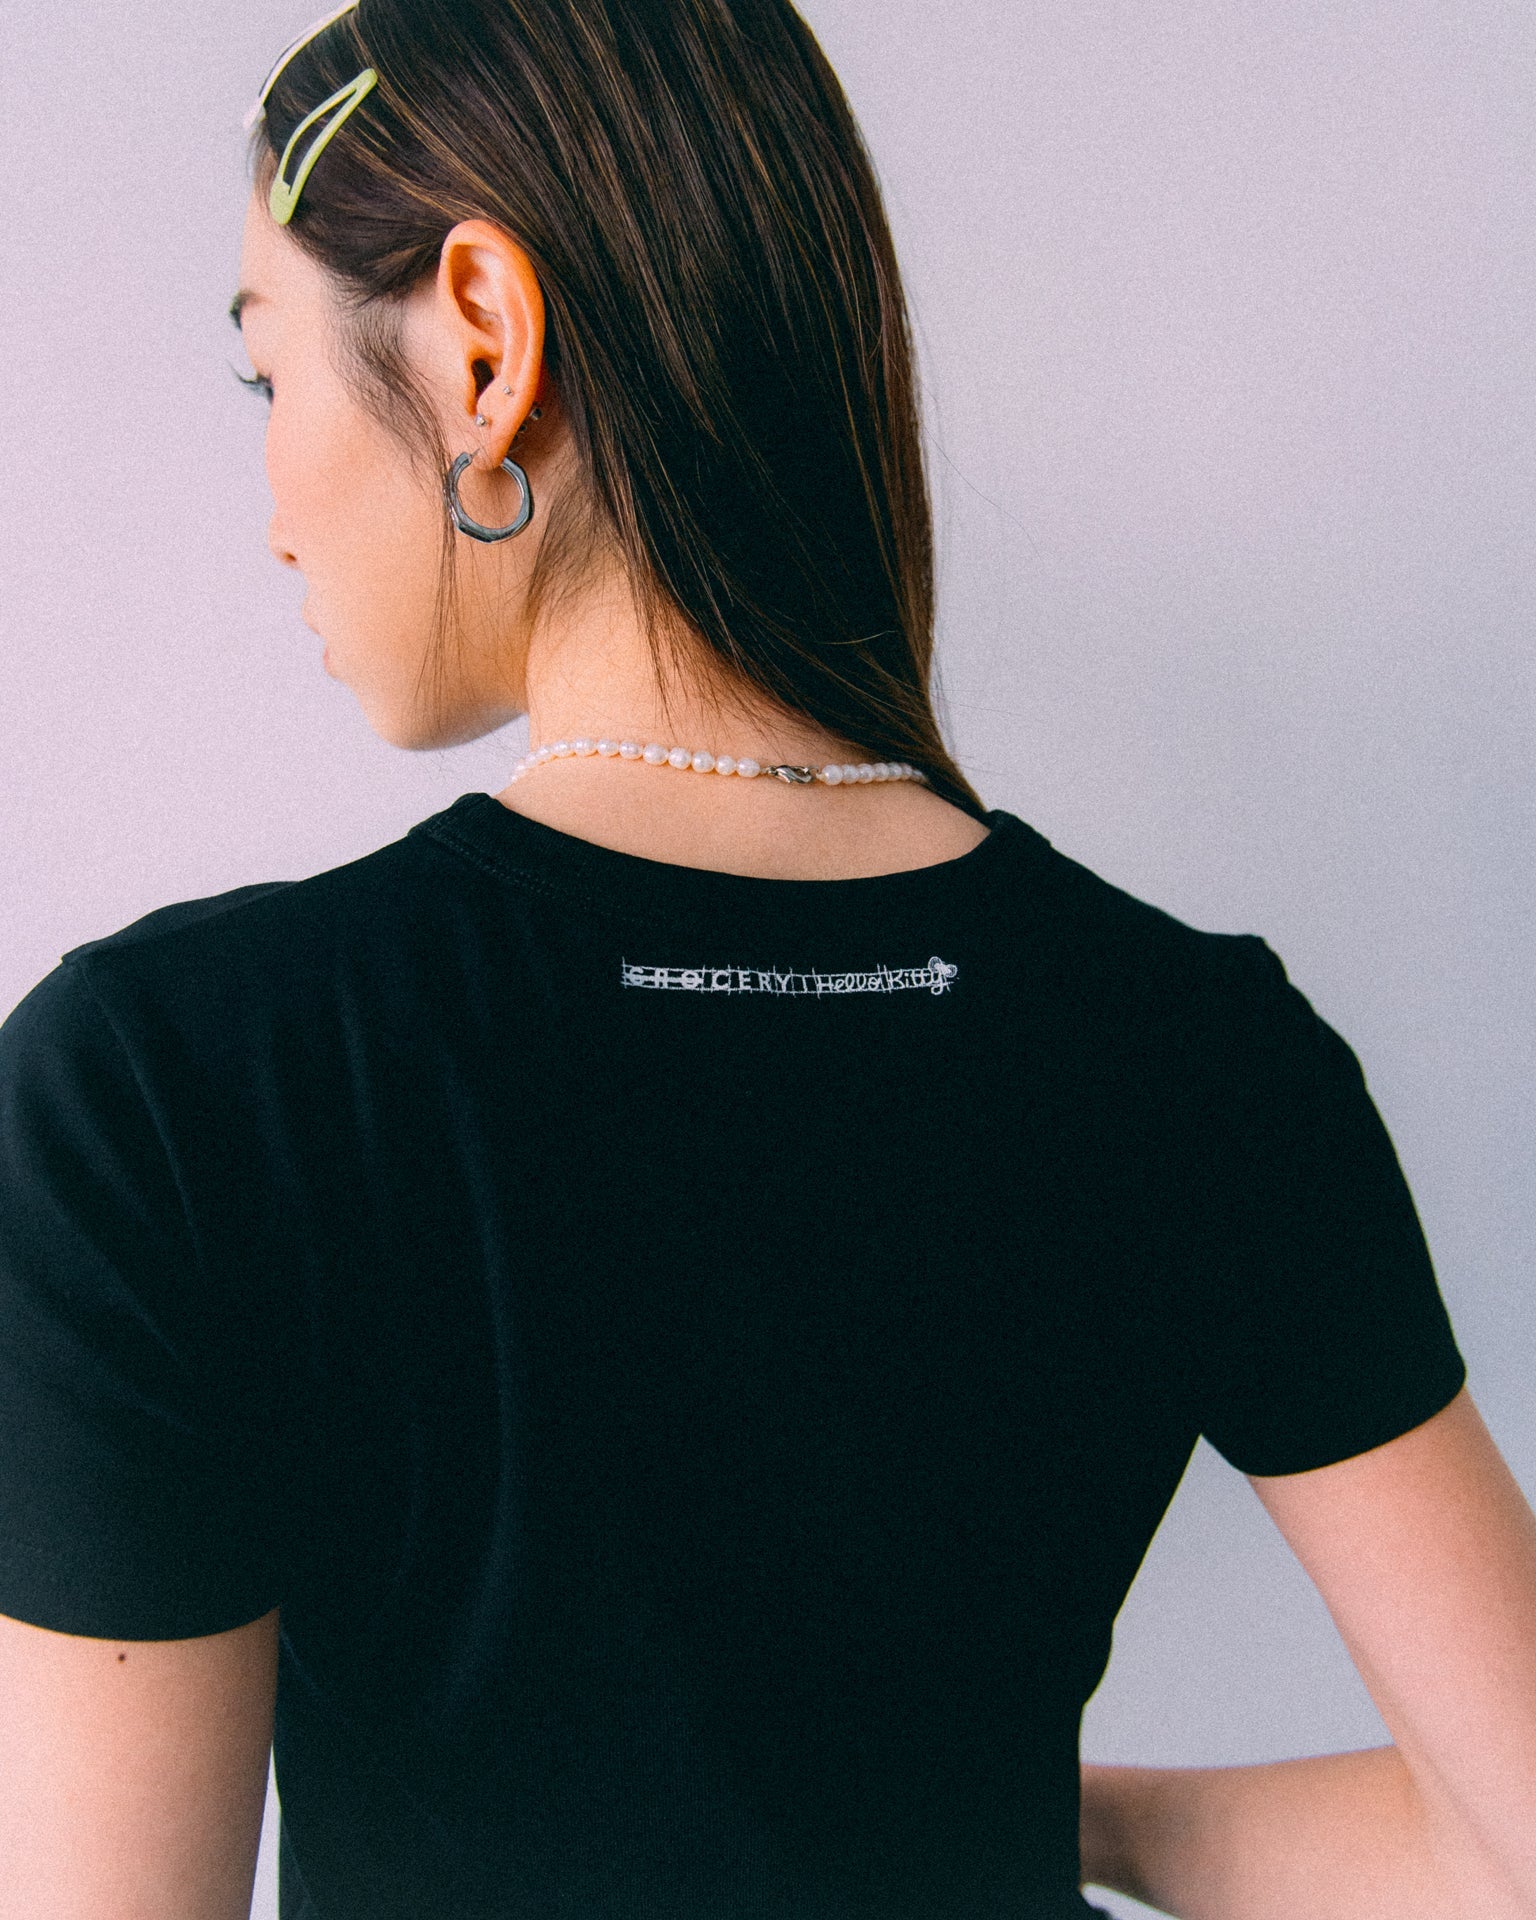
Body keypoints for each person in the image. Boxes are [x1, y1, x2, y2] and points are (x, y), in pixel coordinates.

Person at [0, 0, 1532, 1915]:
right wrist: (1033, 1814)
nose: (275, 517)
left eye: (266, 376)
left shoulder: (169, 1087)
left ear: (482, 340)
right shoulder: (1199, 1051)